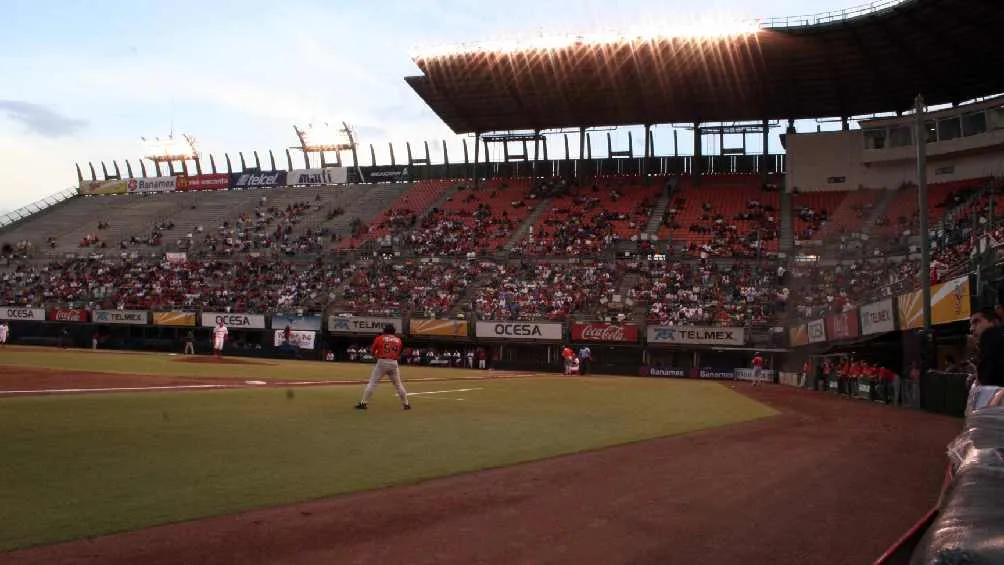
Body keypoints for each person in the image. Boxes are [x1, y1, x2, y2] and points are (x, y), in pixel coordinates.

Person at [356, 324, 411, 410]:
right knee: (398, 384)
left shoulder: (380, 338)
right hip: (394, 362)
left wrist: (376, 355)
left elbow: (372, 351)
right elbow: (398, 353)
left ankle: (363, 403)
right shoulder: (398, 340)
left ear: (385, 330)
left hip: (382, 361)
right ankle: (406, 404)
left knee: (372, 383)